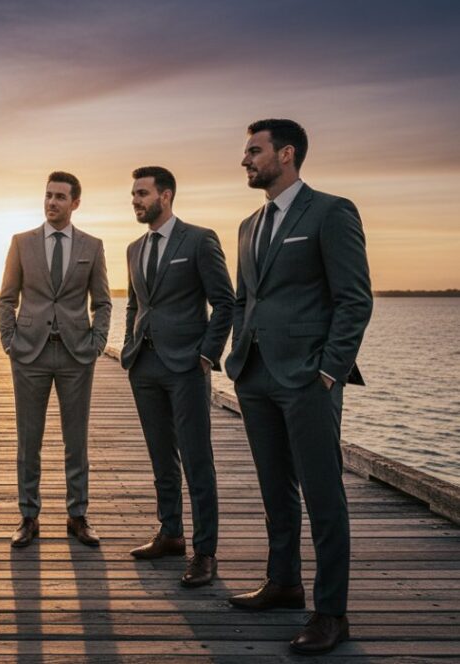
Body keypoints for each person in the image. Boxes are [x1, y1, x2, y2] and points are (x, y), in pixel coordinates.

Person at [224, 119, 373, 655]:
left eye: (253, 151)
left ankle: (331, 612)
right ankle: (283, 582)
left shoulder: (331, 212)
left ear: (286, 154)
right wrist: (239, 350)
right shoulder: (247, 224)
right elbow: (245, 297)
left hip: (310, 378)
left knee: (323, 494)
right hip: (255, 374)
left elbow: (355, 298)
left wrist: (330, 369)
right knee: (274, 488)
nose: (245, 160)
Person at [121, 166, 234, 587]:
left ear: (165, 196)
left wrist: (207, 354)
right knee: (160, 457)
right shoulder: (133, 248)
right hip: (144, 364)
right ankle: (170, 533)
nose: (135, 200)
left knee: (196, 458)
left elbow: (225, 302)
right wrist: (129, 345)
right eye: (133, 194)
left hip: (187, 365)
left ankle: (205, 552)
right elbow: (135, 303)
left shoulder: (199, 239)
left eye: (142, 193)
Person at [0, 171, 112, 548]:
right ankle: (28, 516)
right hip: (29, 352)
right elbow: (6, 298)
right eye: (48, 195)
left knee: (75, 439)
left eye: (60, 197)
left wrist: (96, 343)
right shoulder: (21, 242)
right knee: (28, 440)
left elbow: (103, 301)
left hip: (76, 354)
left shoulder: (92, 246)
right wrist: (9, 341)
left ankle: (77, 514)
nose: (52, 202)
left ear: (75, 202)